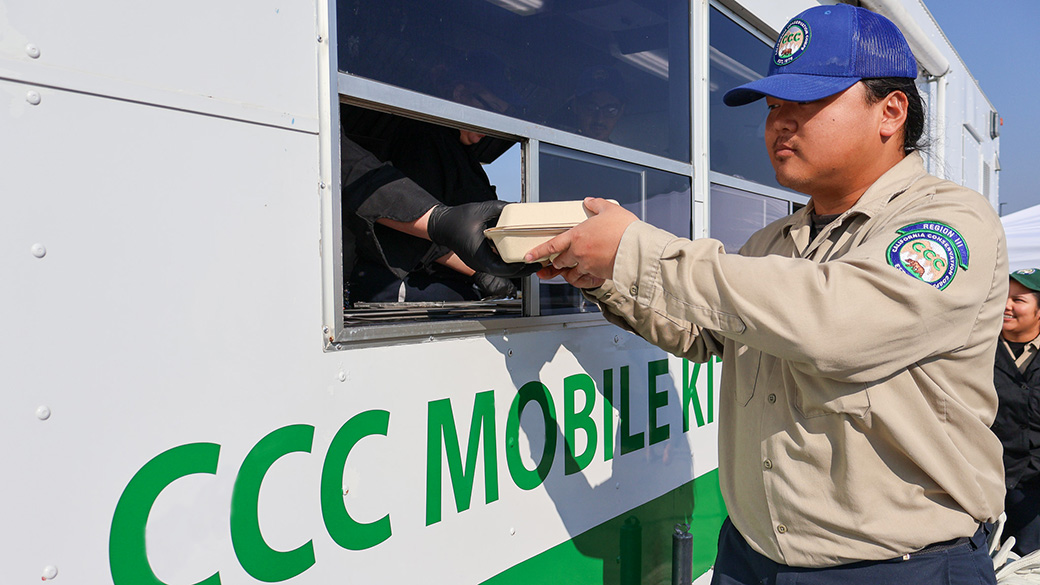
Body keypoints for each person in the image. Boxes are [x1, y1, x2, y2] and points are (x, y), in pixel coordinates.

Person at [524, 5, 1008, 584]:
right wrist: (602, 276)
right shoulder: (773, 240)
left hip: (897, 567)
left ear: (891, 111)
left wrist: (635, 249)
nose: (779, 124)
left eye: (805, 103)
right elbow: (707, 337)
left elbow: (832, 323)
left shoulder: (948, 221)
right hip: (750, 555)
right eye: (774, 107)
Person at [343, 52, 538, 304]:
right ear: (460, 94)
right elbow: (413, 223)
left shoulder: (462, 153)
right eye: (490, 109)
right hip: (410, 283)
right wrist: (481, 271)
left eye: (502, 114)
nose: (493, 123)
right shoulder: (423, 139)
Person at [992, 268, 1040, 556]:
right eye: (1003, 297)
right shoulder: (977, 349)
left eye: (1018, 300)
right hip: (985, 480)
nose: (1006, 306)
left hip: (1033, 489)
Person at [549, 66, 626, 142]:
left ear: (621, 111)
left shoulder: (624, 154)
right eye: (591, 108)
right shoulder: (554, 145)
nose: (599, 119)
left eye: (610, 110)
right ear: (575, 106)